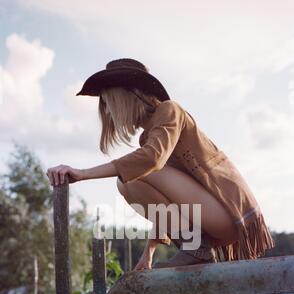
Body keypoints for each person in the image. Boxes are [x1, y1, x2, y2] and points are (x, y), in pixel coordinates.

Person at [46, 58, 275, 271]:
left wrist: (82, 174)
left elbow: (151, 160)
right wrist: (149, 252)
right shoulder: (147, 138)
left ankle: (196, 249)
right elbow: (165, 199)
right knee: (128, 182)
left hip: (228, 213)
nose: (108, 110)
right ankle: (194, 247)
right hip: (206, 221)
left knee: (135, 173)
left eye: (109, 102)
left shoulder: (170, 111)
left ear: (128, 96)